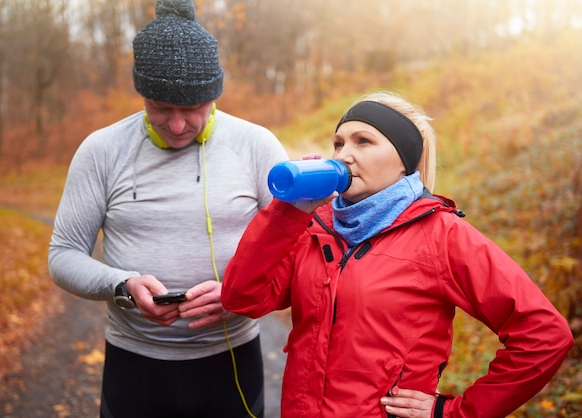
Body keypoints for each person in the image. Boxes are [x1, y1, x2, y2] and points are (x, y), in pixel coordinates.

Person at [221, 90, 574, 418]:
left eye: (364, 141)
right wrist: (288, 212)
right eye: (339, 143)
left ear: (404, 161)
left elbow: (544, 335)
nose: (344, 155)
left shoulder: (442, 236)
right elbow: (243, 299)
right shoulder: (313, 226)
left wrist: (453, 412)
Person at [48, 1, 288, 417]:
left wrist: (239, 295)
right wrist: (123, 285)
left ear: (215, 94)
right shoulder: (102, 150)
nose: (177, 125)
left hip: (231, 361)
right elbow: (63, 255)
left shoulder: (257, 146)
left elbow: (294, 256)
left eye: (192, 108)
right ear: (142, 94)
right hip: (134, 365)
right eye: (160, 107)